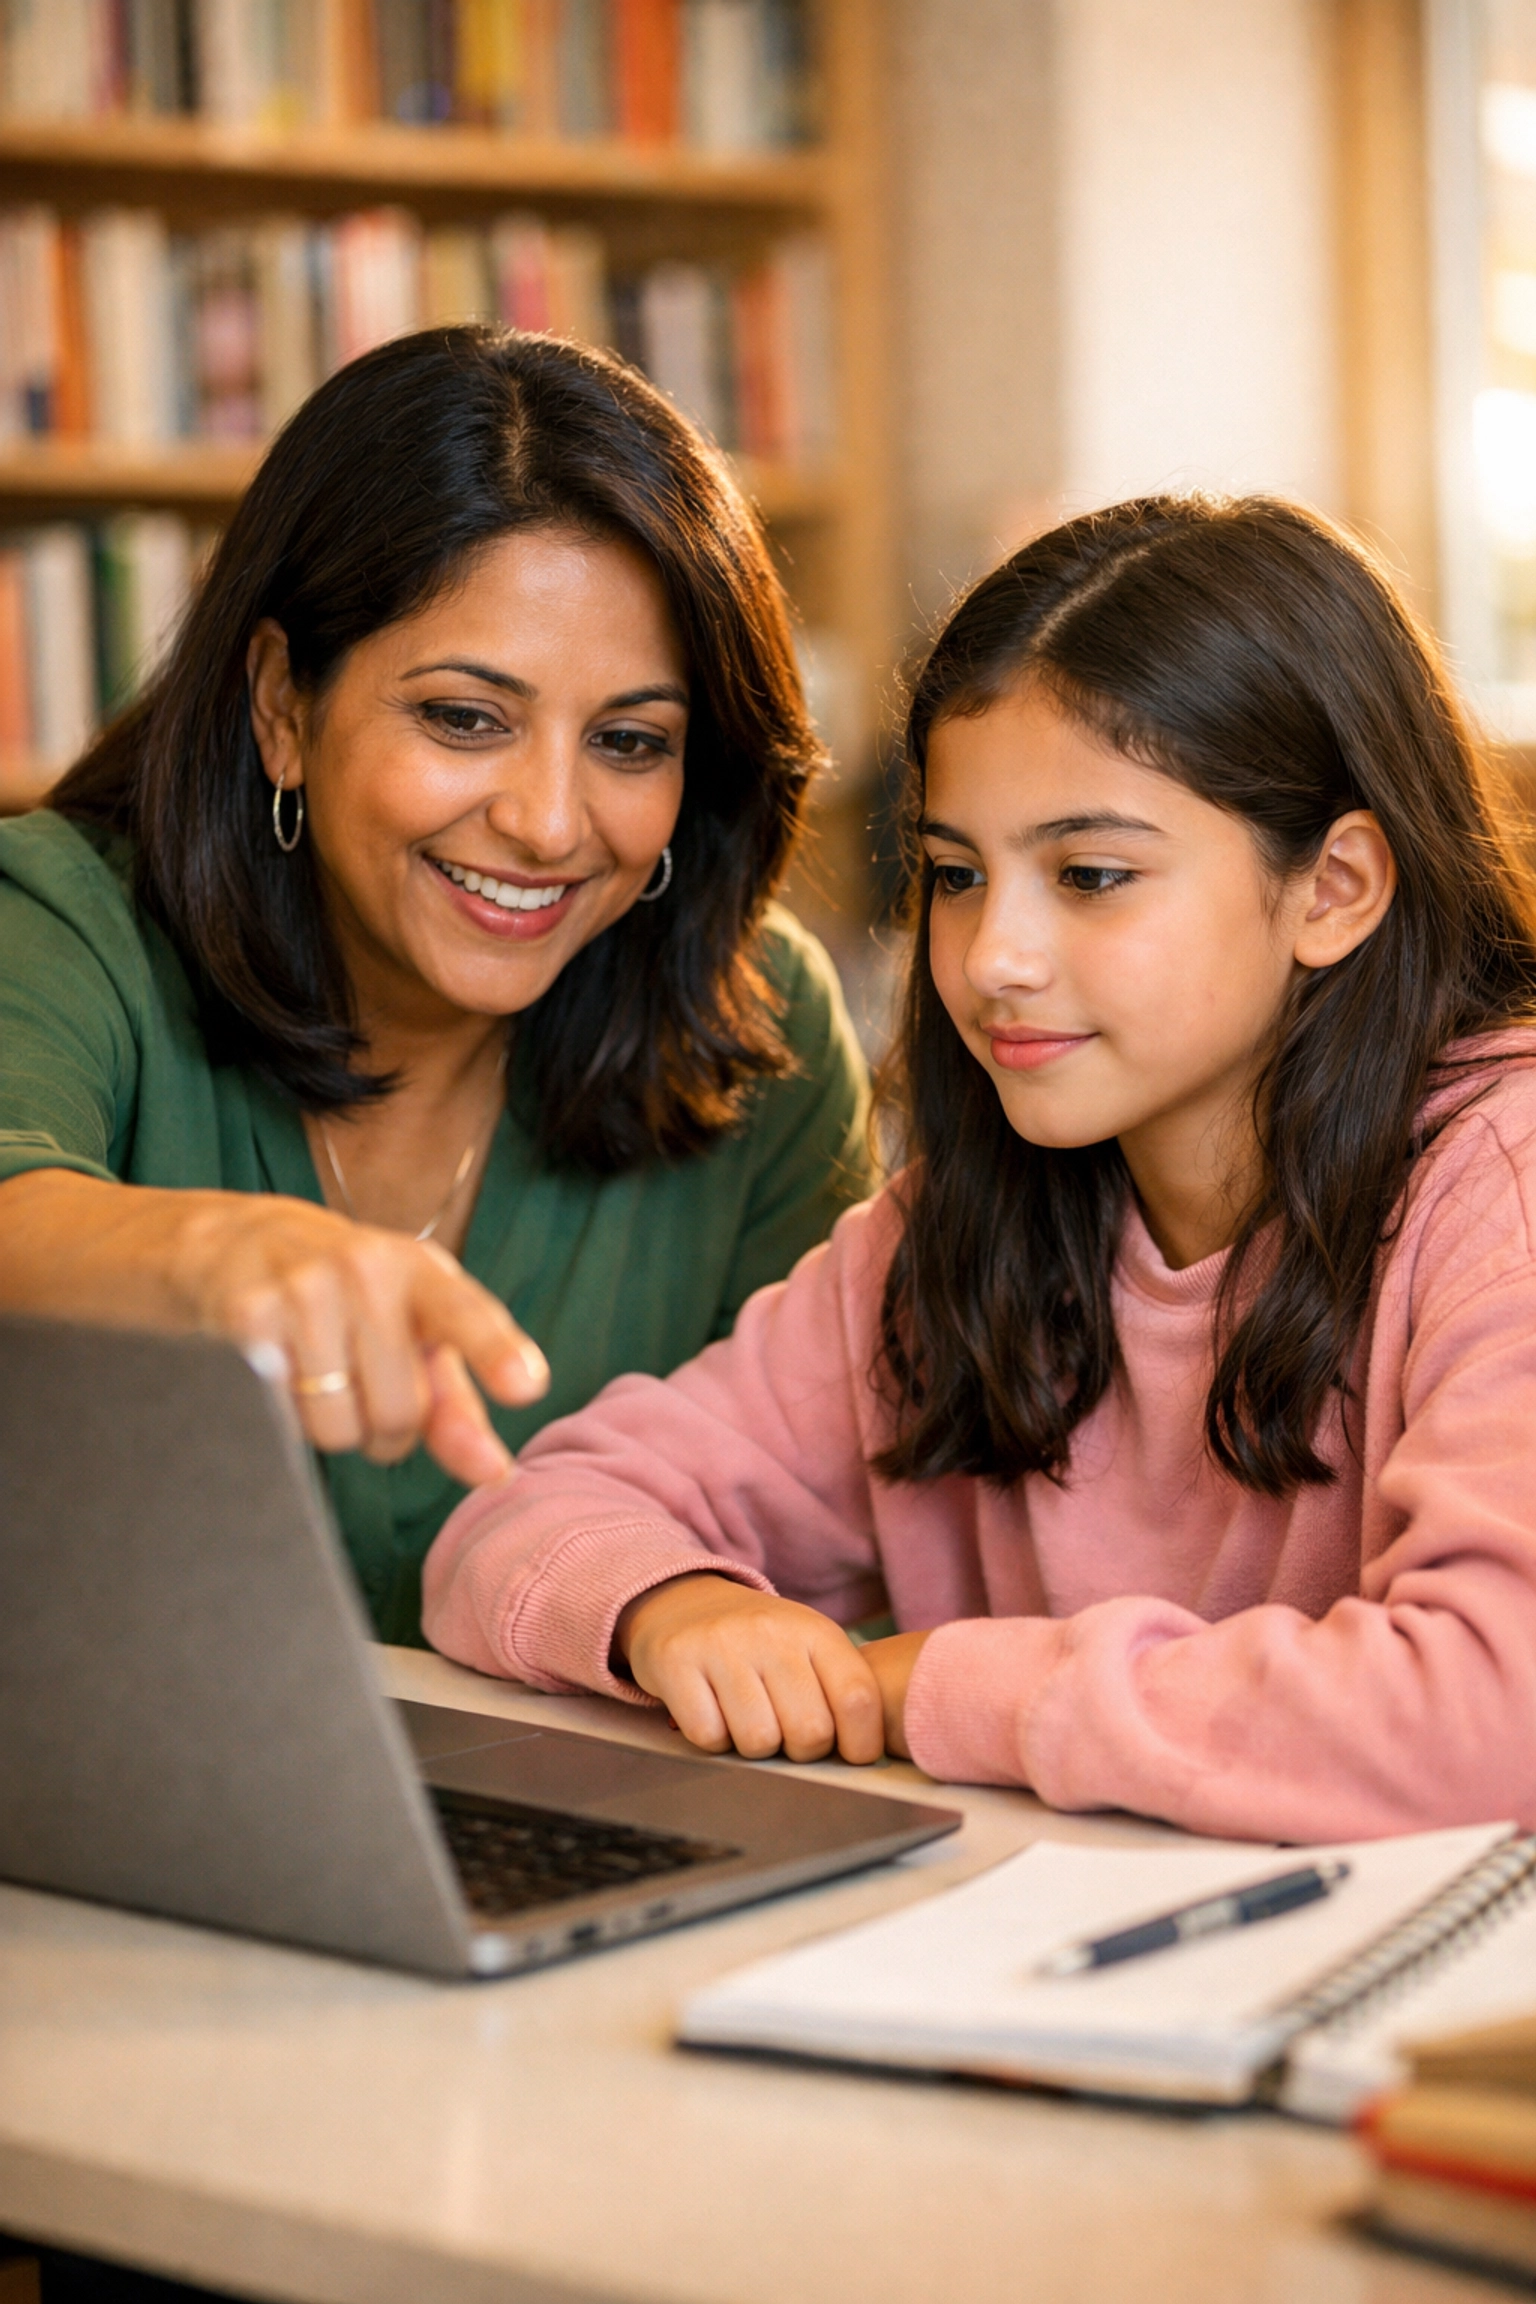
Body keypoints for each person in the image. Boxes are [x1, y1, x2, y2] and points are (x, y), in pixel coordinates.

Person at [423, 492, 1536, 1844]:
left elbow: (1487, 1720)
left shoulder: (1503, 1183)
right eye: (956, 875)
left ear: (1337, 888)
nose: (992, 956)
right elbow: (516, 1531)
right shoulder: (957, 1228)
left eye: (1090, 876)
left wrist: (945, 1689)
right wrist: (673, 1609)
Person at [0, 327, 872, 1646]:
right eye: (464, 717)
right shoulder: (59, 913)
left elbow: (829, 1532)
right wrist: (223, 1258)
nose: (545, 821)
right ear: (284, 704)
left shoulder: (761, 1026)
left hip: (606, 1811)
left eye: (631, 741)